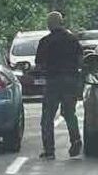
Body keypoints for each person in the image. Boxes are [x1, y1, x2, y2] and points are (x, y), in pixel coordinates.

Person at [35, 11, 84, 160]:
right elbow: (81, 60)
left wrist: (40, 72)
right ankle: (76, 140)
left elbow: (39, 64)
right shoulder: (72, 39)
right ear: (61, 22)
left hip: (53, 81)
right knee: (69, 113)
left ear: (49, 24)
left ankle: (49, 150)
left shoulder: (45, 41)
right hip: (70, 80)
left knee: (48, 117)